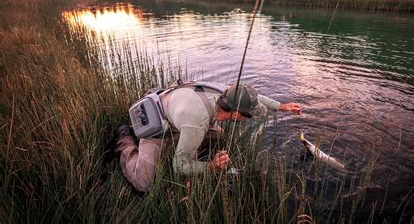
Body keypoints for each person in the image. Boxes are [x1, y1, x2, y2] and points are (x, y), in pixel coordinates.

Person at [114, 82, 301, 193]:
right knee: (143, 184)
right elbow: (178, 166)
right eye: (248, 116)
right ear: (236, 115)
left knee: (217, 134)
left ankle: (181, 142)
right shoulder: (197, 121)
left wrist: (283, 106)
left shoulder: (226, 92)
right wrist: (211, 167)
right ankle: (125, 139)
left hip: (176, 110)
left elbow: (254, 97)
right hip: (156, 125)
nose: (248, 119)